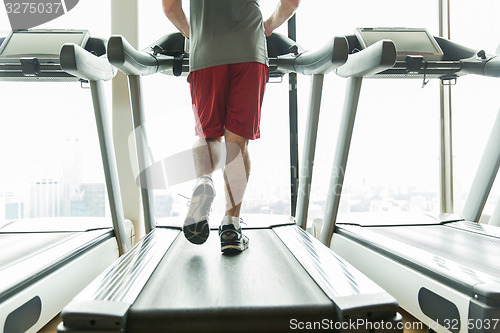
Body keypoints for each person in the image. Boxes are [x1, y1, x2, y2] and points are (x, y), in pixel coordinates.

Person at [162, 0, 300, 253]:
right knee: (236, 144)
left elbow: (170, 7)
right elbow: (291, 2)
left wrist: (195, 33)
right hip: (249, 49)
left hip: (206, 51)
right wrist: (267, 25)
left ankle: (204, 182)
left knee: (207, 135)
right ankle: (230, 228)